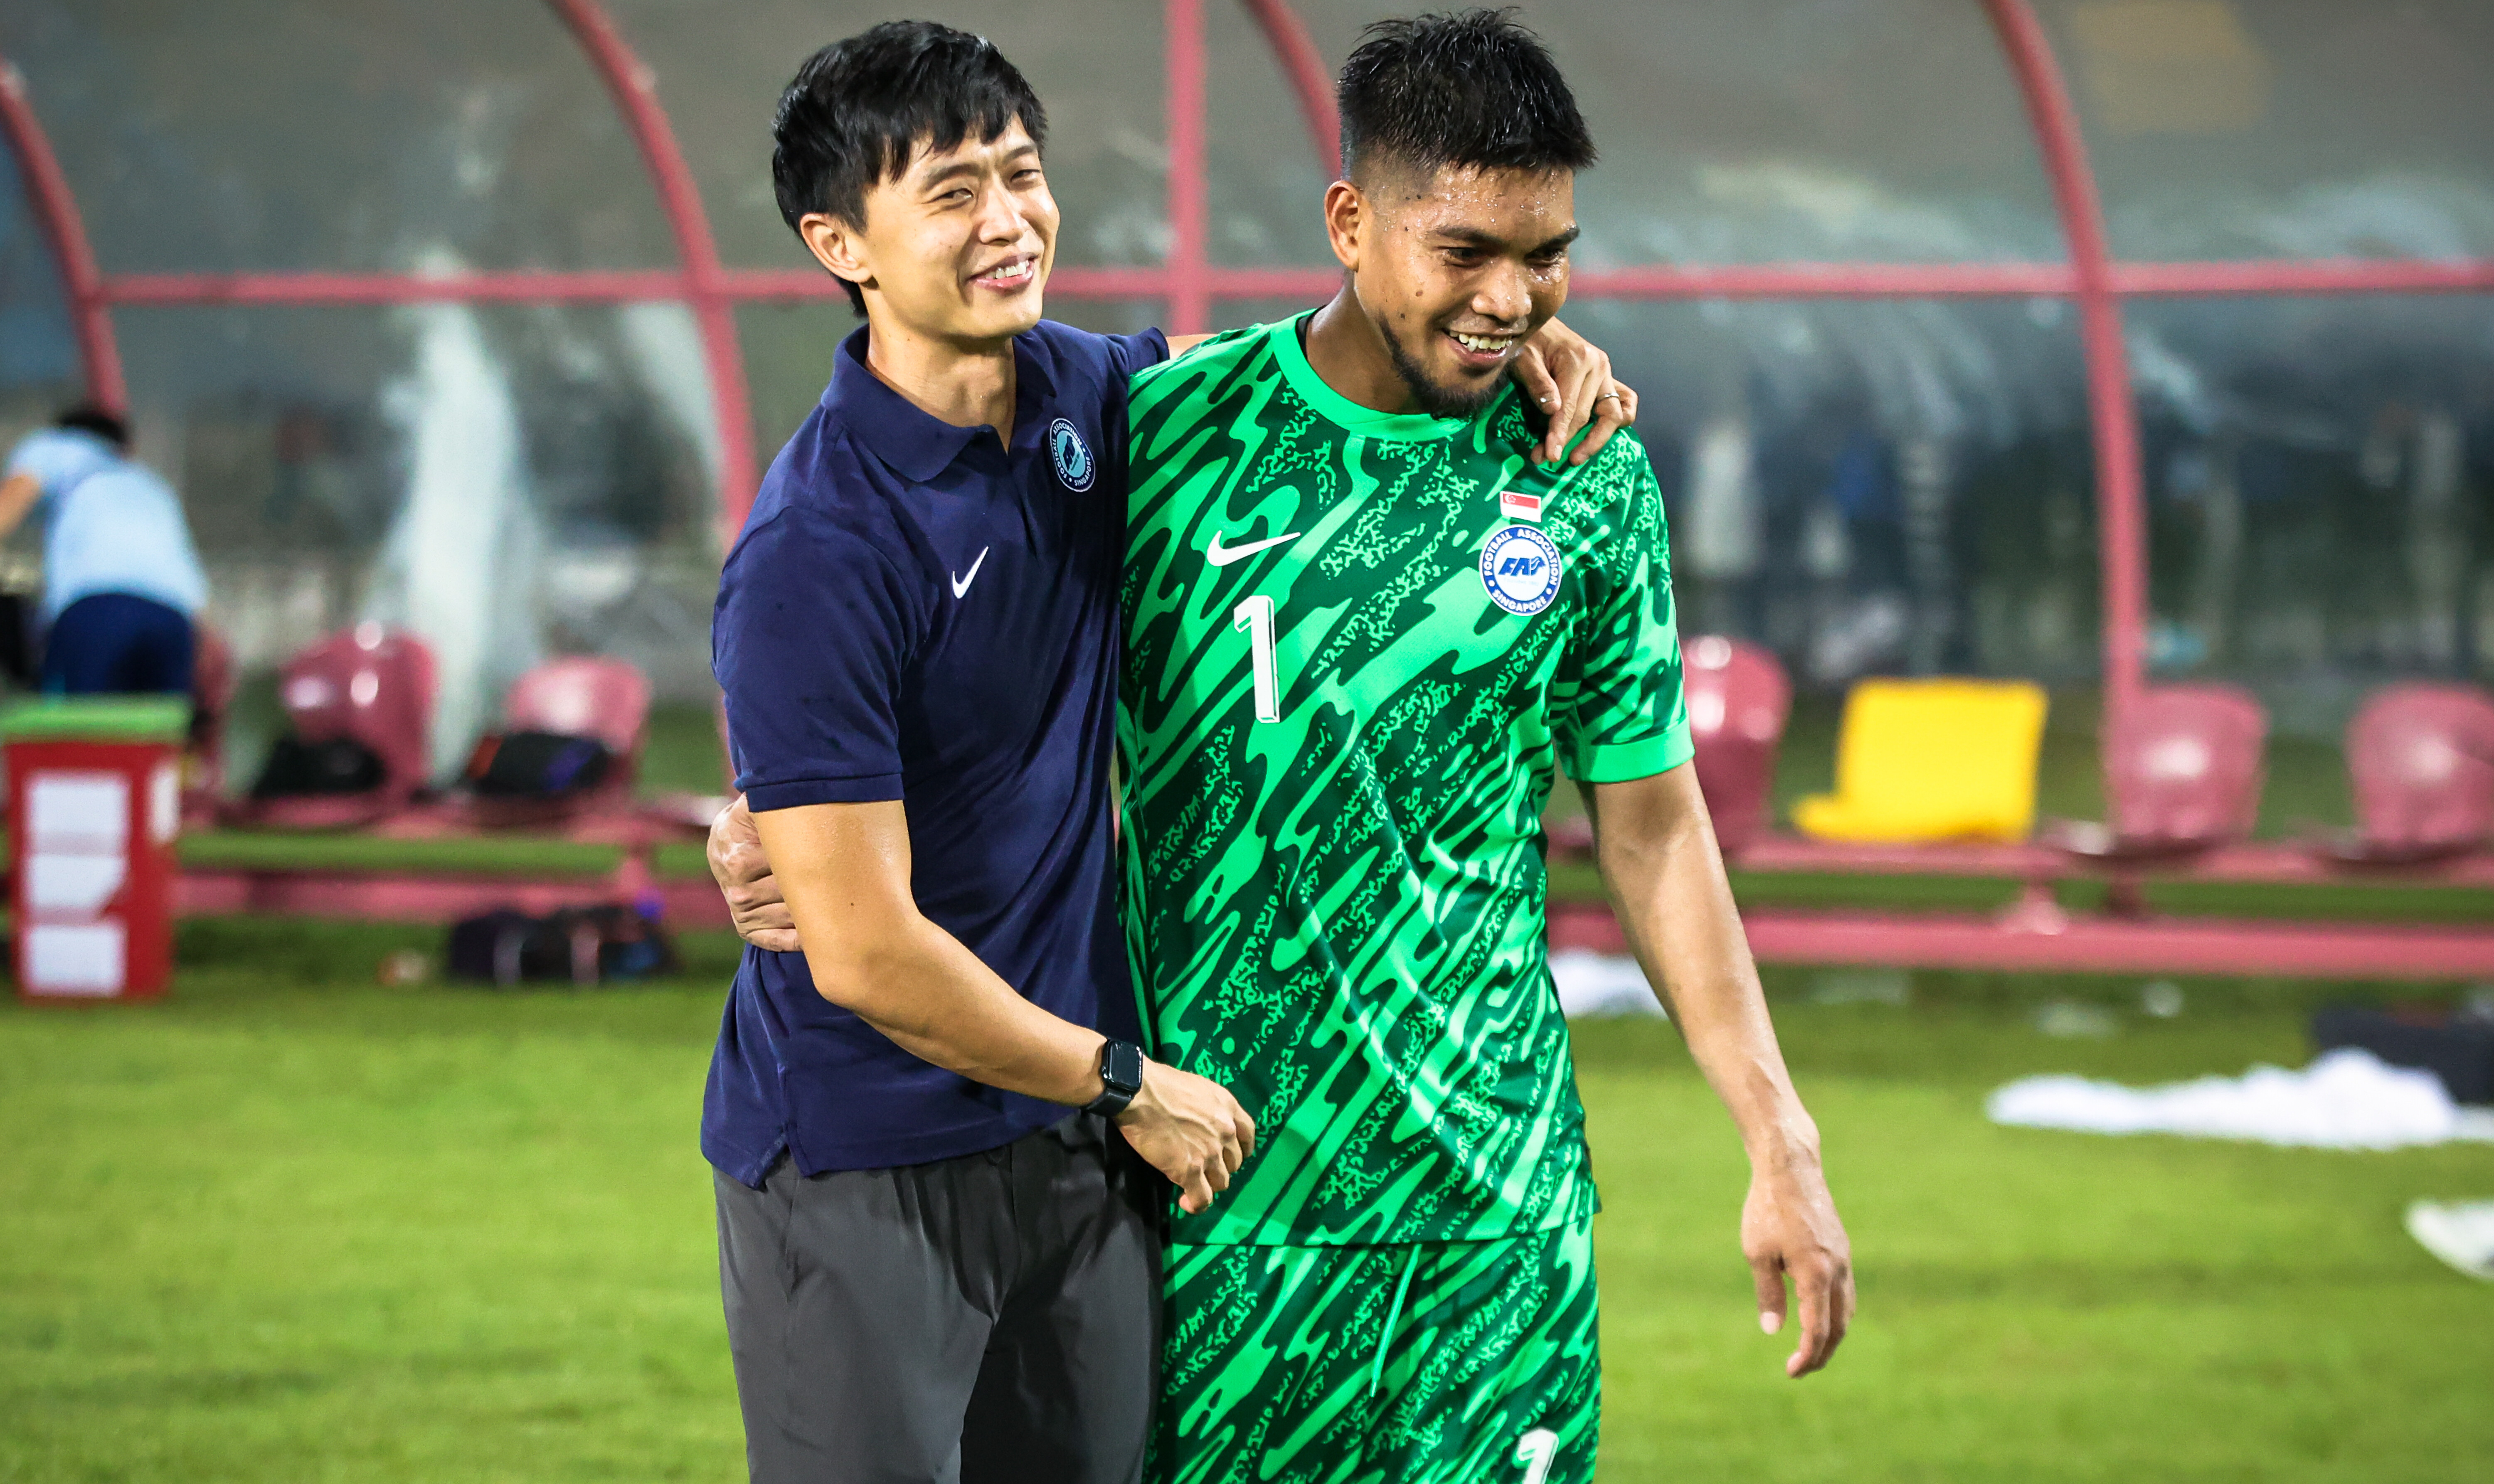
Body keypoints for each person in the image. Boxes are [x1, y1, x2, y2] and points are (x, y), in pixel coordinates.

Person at [722, 12, 1853, 1483]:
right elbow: (884, 685)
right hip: (1216, 1202)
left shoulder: (1579, 470)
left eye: (1544, 258)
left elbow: (1655, 828)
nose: (1510, 298)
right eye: (1464, 252)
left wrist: (1779, 1134)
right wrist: (763, 818)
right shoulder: (1168, 434)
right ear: (1350, 223)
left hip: (1491, 1214)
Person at [0, 406, 209, 696]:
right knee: (160, 722)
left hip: (95, 605)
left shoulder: (54, 447)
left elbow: (9, 506)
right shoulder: (151, 484)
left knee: (82, 719)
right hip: (172, 617)